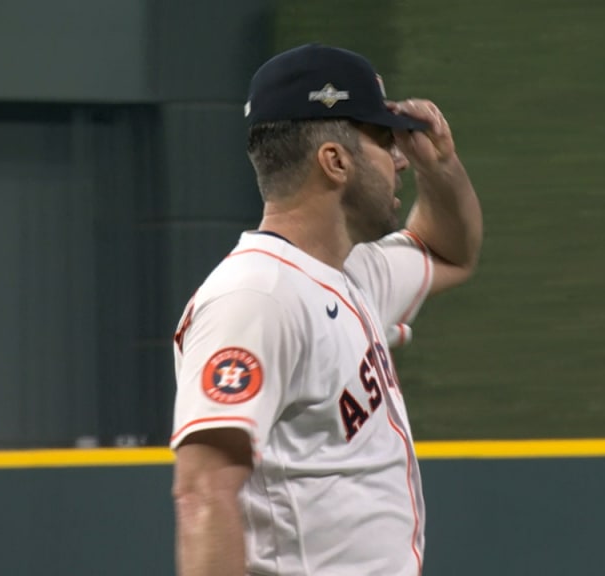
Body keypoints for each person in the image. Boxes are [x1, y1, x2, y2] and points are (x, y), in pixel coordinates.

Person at [168, 43, 483, 576]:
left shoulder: (352, 271)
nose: (402, 156)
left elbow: (453, 251)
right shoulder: (255, 297)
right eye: (385, 140)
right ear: (335, 162)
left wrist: (442, 168)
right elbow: (203, 492)